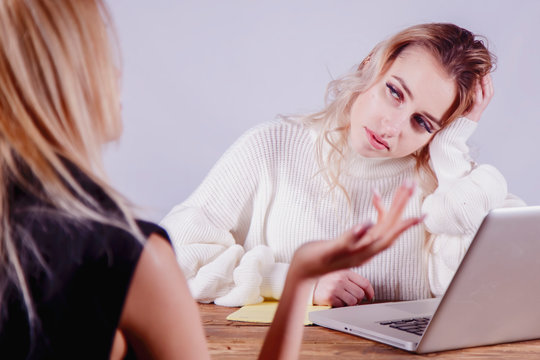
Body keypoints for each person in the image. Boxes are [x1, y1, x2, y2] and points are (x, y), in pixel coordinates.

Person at [0, 0, 424, 359]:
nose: (117, 74)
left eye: (425, 121)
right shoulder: (131, 259)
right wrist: (296, 279)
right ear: (66, 85)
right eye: (101, 58)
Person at [160, 22, 525, 308]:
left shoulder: (445, 184)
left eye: (423, 122)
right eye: (395, 93)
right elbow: (175, 255)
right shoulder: (271, 147)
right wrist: (295, 281)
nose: (393, 128)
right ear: (371, 66)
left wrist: (451, 149)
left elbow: (471, 294)